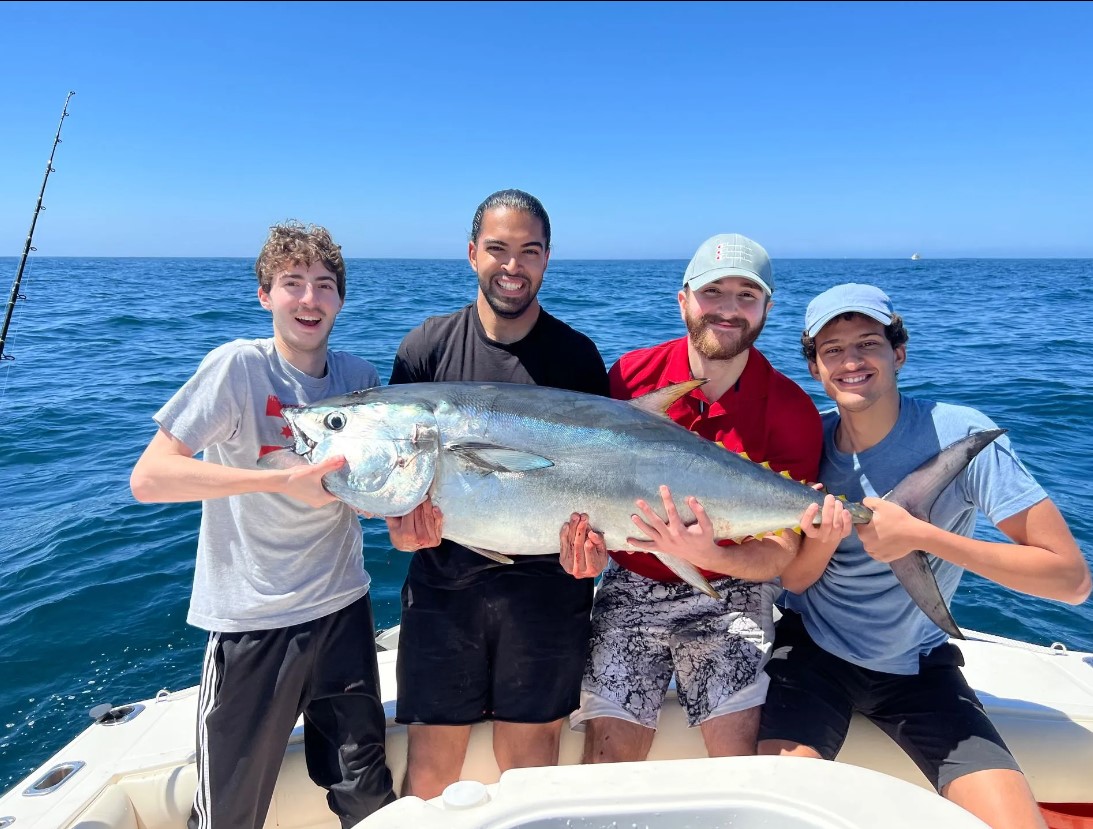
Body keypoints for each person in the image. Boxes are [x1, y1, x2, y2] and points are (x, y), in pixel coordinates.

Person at [757, 282, 1092, 829]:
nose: (851, 361)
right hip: (812, 655)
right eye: (832, 350)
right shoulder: (807, 442)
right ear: (816, 369)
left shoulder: (960, 434)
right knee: (775, 806)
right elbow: (794, 580)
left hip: (917, 670)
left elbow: (1072, 580)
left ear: (899, 353)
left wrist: (925, 538)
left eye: (867, 342)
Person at [129, 222, 395, 829]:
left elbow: (365, 492)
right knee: (230, 811)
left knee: (365, 793)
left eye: (324, 285)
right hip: (254, 620)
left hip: (344, 611)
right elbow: (150, 478)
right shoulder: (237, 368)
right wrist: (277, 480)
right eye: (292, 283)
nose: (309, 299)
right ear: (264, 295)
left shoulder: (360, 378)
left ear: (341, 299)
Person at [569, 233, 833, 763]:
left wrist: (714, 556)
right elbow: (583, 483)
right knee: (606, 762)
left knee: (738, 757)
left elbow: (784, 549)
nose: (729, 310)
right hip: (633, 580)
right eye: (714, 293)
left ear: (766, 309)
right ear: (684, 299)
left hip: (731, 588)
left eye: (746, 296)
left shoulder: (790, 410)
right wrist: (582, 550)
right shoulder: (626, 378)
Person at [384, 189, 610, 800]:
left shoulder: (577, 356)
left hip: (548, 589)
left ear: (546, 259)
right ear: (471, 253)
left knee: (531, 771)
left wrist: (597, 552)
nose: (513, 266)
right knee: (429, 773)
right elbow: (404, 479)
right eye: (498, 249)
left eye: (529, 251)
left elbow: (604, 480)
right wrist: (400, 529)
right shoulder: (425, 349)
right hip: (442, 587)